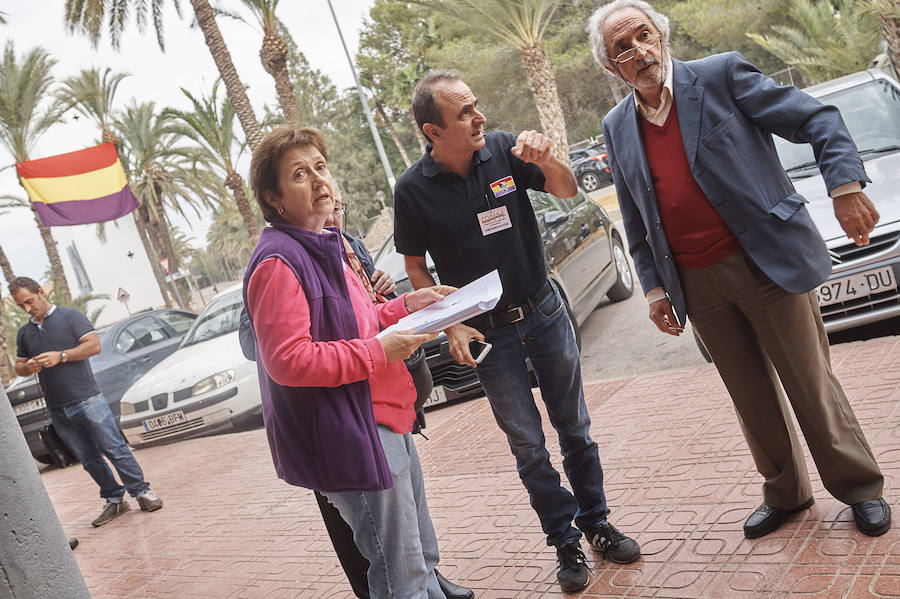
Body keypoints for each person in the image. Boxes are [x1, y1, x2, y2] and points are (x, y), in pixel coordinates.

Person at [590, 0, 890, 539]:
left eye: (643, 35)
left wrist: (844, 186)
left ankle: (859, 487)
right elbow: (635, 214)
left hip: (765, 261)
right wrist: (656, 288)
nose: (638, 50)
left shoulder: (720, 75)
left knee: (809, 383)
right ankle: (786, 493)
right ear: (612, 68)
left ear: (660, 35)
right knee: (749, 395)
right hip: (696, 282)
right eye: (622, 47)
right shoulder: (617, 125)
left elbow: (815, 118)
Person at [392, 70, 640, 593]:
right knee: (528, 445)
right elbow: (416, 266)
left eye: (476, 105)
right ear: (432, 131)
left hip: (545, 312)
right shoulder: (413, 190)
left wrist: (547, 156)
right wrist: (451, 322)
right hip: (489, 337)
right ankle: (564, 541)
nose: (479, 117)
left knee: (575, 426)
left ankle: (595, 522)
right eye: (464, 113)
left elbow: (568, 189)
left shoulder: (504, 150)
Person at [243, 125, 461, 599]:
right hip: (352, 436)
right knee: (399, 578)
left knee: (420, 562)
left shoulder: (326, 243)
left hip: (385, 419)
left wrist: (407, 305)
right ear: (274, 198)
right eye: (300, 174)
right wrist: (379, 351)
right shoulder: (279, 261)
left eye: (320, 167)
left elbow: (358, 320)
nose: (320, 181)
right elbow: (287, 360)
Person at [10, 277, 163, 527]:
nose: (27, 309)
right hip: (58, 409)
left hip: (88, 399)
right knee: (89, 459)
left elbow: (93, 346)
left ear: (40, 292)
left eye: (29, 301)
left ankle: (142, 492)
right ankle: (115, 500)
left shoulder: (70, 317)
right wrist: (28, 366)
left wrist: (61, 356)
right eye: (21, 306)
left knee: (115, 449)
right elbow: (18, 367)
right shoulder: (24, 333)